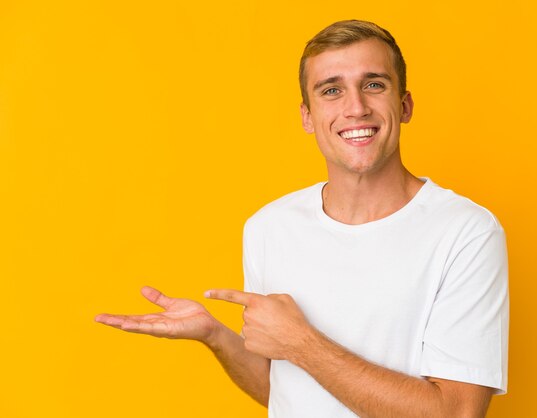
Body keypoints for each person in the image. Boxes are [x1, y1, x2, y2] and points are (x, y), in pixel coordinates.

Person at [95, 20, 509, 418]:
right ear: (307, 116)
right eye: (331, 90)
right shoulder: (268, 227)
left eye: (374, 85)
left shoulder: (466, 232)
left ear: (404, 105)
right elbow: (286, 391)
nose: (356, 107)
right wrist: (216, 336)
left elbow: (456, 413)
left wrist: (300, 341)